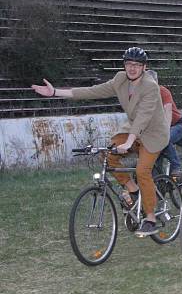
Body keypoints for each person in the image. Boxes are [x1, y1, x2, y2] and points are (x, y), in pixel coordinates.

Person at [31, 47, 169, 237]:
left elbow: (143, 117)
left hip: (153, 134)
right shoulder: (120, 79)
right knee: (107, 154)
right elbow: (92, 91)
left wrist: (129, 142)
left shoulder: (150, 86)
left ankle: (151, 218)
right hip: (132, 131)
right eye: (129, 64)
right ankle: (133, 190)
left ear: (144, 68)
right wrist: (55, 92)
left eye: (137, 65)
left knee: (142, 170)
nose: (132, 68)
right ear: (124, 65)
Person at [146, 70, 182, 179]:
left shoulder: (163, 91)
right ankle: (159, 184)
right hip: (158, 130)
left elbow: (168, 111)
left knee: (165, 139)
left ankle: (177, 167)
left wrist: (164, 131)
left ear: (156, 81)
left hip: (177, 125)